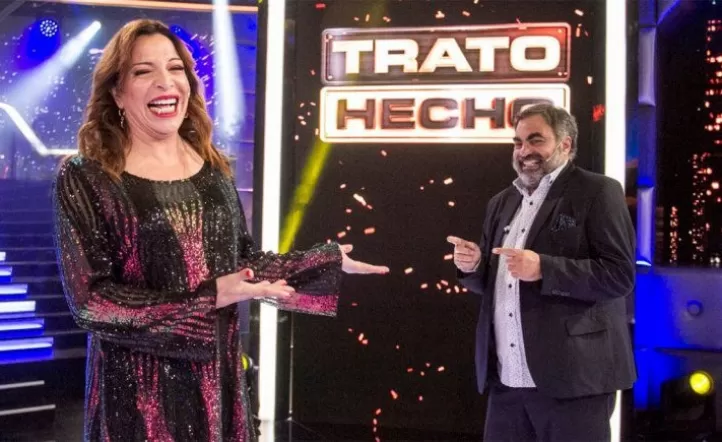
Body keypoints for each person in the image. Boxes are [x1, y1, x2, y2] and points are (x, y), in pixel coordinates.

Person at [53, 19, 388, 442]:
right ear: (117, 92)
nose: (165, 82)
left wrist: (323, 261)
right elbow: (92, 302)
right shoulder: (86, 176)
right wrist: (209, 297)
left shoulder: (212, 168)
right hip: (136, 397)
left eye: (175, 68)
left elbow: (242, 263)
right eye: (143, 71)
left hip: (217, 382)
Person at [447, 103, 636, 441]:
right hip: (507, 381)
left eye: (536, 140)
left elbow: (619, 275)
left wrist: (544, 268)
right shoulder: (501, 202)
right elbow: (495, 284)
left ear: (565, 143)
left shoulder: (597, 192)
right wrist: (474, 266)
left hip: (573, 382)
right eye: (518, 143)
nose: (524, 152)